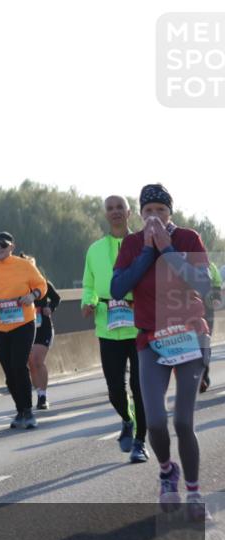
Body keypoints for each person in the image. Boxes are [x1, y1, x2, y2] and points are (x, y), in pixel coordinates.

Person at [111, 184, 211, 522]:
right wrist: (147, 253)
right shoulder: (131, 244)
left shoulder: (187, 238)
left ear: (171, 213)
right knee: (154, 422)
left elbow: (202, 285)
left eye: (161, 211)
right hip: (150, 341)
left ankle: (195, 492)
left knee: (183, 422)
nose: (154, 217)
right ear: (140, 215)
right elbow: (117, 288)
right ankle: (168, 471)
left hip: (188, 337)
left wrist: (167, 249)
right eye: (148, 212)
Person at [81, 195, 149, 463]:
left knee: (139, 386)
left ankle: (140, 442)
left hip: (139, 325)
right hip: (107, 326)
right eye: (110, 208)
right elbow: (89, 285)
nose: (115, 211)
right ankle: (127, 418)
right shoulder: (95, 250)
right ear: (105, 214)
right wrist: (88, 302)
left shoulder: (143, 244)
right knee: (115, 390)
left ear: (129, 212)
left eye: (120, 207)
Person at [0, 232, 47, 429]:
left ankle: (29, 412)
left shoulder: (24, 266)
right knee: (8, 371)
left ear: (12, 247)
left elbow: (41, 285)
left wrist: (33, 296)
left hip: (23, 323)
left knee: (19, 365)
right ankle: (20, 410)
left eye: (3, 245)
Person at [15, 253, 61, 411]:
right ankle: (39, 391)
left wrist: (51, 308)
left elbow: (57, 298)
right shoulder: (17, 286)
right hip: (26, 327)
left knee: (37, 360)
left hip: (44, 328)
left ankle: (43, 396)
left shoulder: (43, 283)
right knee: (31, 363)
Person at [200, 262, 222, 392]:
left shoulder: (210, 265)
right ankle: (200, 376)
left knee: (204, 342)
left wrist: (216, 298)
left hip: (206, 310)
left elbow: (217, 282)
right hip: (189, 310)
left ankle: (203, 375)